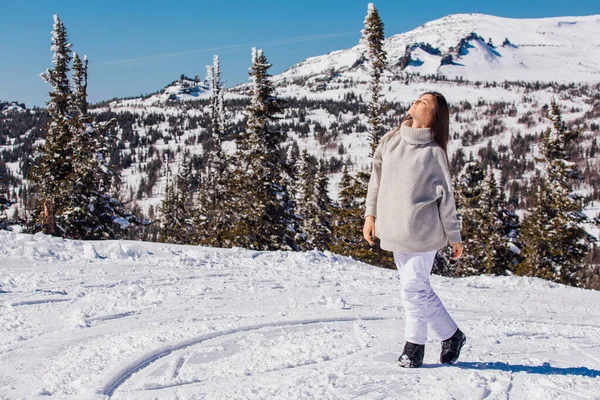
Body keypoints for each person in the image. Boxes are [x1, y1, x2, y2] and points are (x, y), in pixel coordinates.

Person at [362, 91, 466, 368]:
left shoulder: (434, 153)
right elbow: (376, 181)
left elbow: (447, 200)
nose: (418, 102)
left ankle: (414, 347)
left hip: (425, 233)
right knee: (417, 288)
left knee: (412, 288)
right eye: (418, 99)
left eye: (426, 102)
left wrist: (454, 236)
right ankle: (452, 335)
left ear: (434, 116)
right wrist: (370, 215)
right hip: (396, 231)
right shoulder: (390, 140)